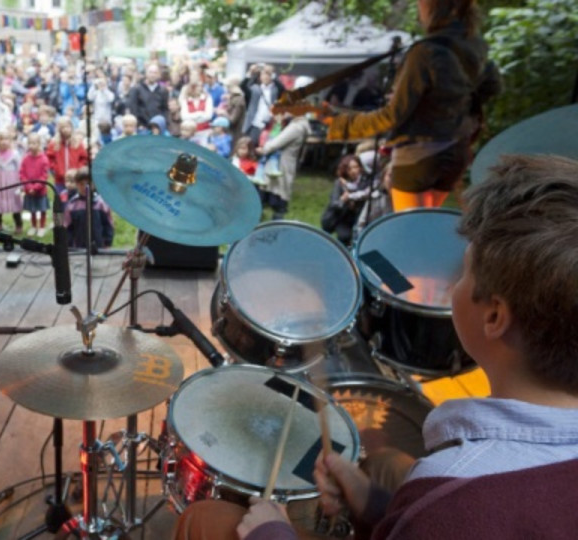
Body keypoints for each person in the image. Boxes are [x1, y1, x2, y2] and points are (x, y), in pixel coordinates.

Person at [176, 154, 578, 540]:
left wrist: (271, 533)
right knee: (382, 461)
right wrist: (372, 505)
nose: (455, 281)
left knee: (208, 519)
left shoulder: (453, 497)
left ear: (494, 317)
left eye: (464, 273)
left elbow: (449, 521)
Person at [325, 0, 501, 211]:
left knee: (408, 225)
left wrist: (337, 123)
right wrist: (455, 106)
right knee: (428, 221)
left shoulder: (424, 52)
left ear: (433, 7)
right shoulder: (475, 46)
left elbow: (392, 116)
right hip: (456, 152)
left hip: (418, 157)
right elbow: (493, 86)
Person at [258, 112, 312, 220]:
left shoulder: (296, 127)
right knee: (271, 197)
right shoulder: (297, 125)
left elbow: (275, 143)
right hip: (283, 164)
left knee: (277, 200)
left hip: (281, 165)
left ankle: (273, 227)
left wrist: (263, 149)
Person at [321, 154, 367, 244]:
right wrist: (343, 200)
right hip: (341, 217)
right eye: (349, 169)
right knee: (344, 236)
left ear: (360, 168)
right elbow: (334, 203)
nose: (353, 171)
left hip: (358, 218)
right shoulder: (340, 183)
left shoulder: (365, 183)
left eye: (356, 167)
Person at [63, 171, 114, 251]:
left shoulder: (101, 204)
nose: (84, 187)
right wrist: (69, 244)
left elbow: (108, 225)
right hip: (78, 248)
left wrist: (107, 242)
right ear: (77, 184)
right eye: (81, 184)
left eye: (88, 184)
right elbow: (67, 227)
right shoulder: (72, 205)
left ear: (93, 184)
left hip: (99, 247)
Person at [0, 129, 23, 234]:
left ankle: (19, 225)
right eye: (1, 139)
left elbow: (20, 168)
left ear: (10, 140)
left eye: (6, 139)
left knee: (15, 203)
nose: (4, 141)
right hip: (1, 182)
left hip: (12, 182)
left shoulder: (15, 153)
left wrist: (20, 184)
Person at [240, 64, 280, 146]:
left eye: (268, 74)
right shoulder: (255, 88)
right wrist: (250, 73)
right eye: (263, 74)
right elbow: (243, 86)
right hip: (254, 125)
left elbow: (283, 89)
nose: (265, 77)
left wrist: (273, 75)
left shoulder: (275, 90)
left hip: (269, 126)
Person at [19, 132, 50, 237]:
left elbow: (44, 176)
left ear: (39, 144)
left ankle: (42, 227)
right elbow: (22, 174)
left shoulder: (44, 159)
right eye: (30, 143)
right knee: (32, 209)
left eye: (34, 143)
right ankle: (33, 226)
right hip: (29, 191)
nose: (32, 145)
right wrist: (28, 187)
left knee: (42, 209)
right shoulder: (25, 159)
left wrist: (35, 187)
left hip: (40, 191)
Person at [46, 116, 87, 193]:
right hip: (60, 180)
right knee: (61, 198)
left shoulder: (78, 143)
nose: (65, 129)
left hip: (75, 179)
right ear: (59, 129)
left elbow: (83, 158)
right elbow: (49, 159)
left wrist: (77, 170)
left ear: (71, 127)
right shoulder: (54, 144)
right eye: (63, 127)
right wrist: (56, 169)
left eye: (67, 127)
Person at [126, 63, 169, 130]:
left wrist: (163, 123)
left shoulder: (163, 90)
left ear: (158, 75)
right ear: (146, 73)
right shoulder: (137, 89)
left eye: (155, 73)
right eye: (150, 72)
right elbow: (133, 108)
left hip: (157, 128)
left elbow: (165, 109)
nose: (152, 75)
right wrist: (138, 124)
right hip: (142, 127)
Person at [180, 80, 214, 145]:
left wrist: (191, 117)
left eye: (201, 86)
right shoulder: (186, 100)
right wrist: (200, 114)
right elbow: (184, 117)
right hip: (189, 133)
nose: (199, 88)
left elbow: (208, 116)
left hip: (204, 131)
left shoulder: (207, 98)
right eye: (197, 87)